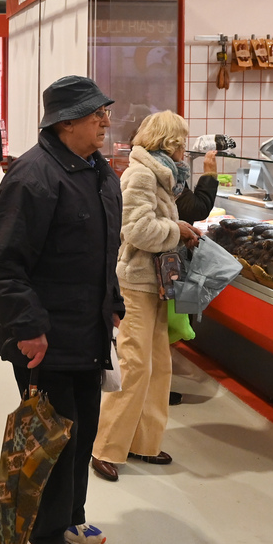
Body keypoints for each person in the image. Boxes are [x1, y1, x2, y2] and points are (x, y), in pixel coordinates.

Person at [0, 76, 124, 544]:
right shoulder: (33, 177)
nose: (105, 121)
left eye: (104, 112)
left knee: (81, 434)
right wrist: (28, 327)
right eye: (94, 115)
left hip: (88, 331)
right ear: (65, 123)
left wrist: (116, 301)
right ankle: (42, 536)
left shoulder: (100, 172)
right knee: (49, 441)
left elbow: (105, 250)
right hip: (44, 340)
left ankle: (71, 517)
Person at [90, 111, 201, 483]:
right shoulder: (141, 174)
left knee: (158, 364)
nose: (186, 147)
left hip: (156, 283)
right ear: (168, 142)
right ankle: (105, 447)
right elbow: (136, 229)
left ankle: (143, 441)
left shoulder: (166, 175)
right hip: (136, 282)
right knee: (134, 365)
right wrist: (178, 229)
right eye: (182, 140)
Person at [168, 147, 218, 405]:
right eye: (178, 142)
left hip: (162, 262)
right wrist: (209, 175)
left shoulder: (164, 169)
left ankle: (157, 388)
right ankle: (156, 390)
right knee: (161, 331)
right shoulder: (164, 172)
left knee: (161, 332)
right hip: (161, 265)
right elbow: (197, 208)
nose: (182, 148)